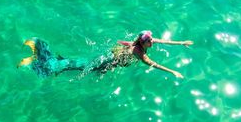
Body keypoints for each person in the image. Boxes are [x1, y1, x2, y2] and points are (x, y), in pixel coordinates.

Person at [18, 30, 193, 78]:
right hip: (108, 60)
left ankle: (56, 61)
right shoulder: (139, 52)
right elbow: (154, 64)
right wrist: (173, 72)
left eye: (153, 39)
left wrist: (181, 42)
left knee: (81, 64)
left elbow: (164, 41)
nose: (153, 41)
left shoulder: (142, 42)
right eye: (151, 40)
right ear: (143, 43)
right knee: (81, 66)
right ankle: (45, 64)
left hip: (111, 55)